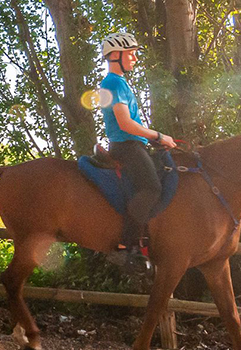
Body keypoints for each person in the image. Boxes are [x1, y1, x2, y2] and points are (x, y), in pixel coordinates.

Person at [98, 32, 177, 261]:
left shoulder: (119, 82)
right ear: (115, 55)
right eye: (131, 53)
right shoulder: (113, 82)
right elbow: (125, 123)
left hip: (133, 144)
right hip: (127, 146)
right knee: (152, 188)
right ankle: (126, 246)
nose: (135, 58)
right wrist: (158, 136)